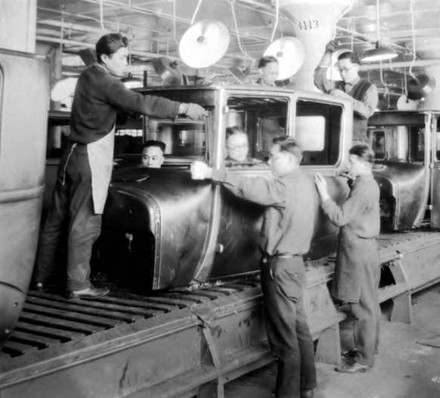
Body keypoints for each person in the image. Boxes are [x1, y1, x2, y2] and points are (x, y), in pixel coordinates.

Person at [33, 33, 207, 298]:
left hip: (71, 156)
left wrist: (128, 109)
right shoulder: (105, 80)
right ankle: (78, 285)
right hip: (89, 159)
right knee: (86, 223)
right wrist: (183, 107)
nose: (127, 63)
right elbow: (140, 102)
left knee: (56, 220)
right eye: (123, 58)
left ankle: (41, 279)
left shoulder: (88, 76)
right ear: (105, 57)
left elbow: (111, 109)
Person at [191, 136, 316, 398]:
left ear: (290, 159)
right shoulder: (305, 181)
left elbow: (251, 188)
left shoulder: (285, 186)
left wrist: (212, 172)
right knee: (300, 328)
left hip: (279, 268)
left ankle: (287, 395)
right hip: (295, 265)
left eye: (274, 156)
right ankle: (307, 387)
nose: (269, 161)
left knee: (284, 338)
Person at [314, 144, 381, 374]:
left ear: (363, 163)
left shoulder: (364, 188)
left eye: (351, 162)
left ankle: (363, 360)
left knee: (362, 307)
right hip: (367, 248)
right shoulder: (366, 182)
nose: (348, 166)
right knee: (370, 303)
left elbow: (341, 217)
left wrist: (324, 196)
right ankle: (369, 350)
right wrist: (351, 182)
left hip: (358, 252)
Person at [314, 43, 378, 144]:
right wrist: (327, 54)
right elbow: (319, 81)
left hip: (356, 142)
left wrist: (345, 99)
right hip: (334, 139)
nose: (342, 73)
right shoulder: (336, 85)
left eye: (346, 69)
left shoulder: (369, 88)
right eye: (340, 70)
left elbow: (367, 112)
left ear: (357, 67)